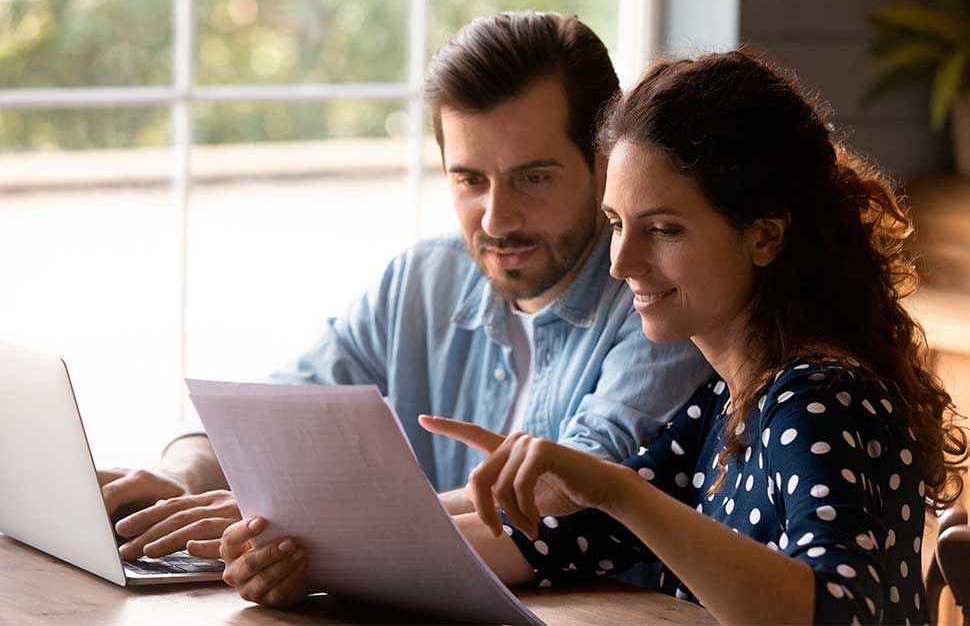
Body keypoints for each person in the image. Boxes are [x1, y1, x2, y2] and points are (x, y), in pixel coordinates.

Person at [219, 50, 969, 625]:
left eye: (664, 229)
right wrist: (300, 546)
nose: (622, 262)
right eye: (617, 224)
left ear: (765, 234)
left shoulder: (822, 397)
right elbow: (555, 539)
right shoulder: (727, 401)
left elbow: (836, 611)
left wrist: (615, 491)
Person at [98, 11, 711, 563]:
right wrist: (180, 477)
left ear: (604, 164)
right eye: (470, 180)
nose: (496, 219)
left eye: (533, 177)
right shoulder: (422, 280)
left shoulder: (656, 301)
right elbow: (273, 416)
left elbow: (570, 489)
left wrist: (311, 527)